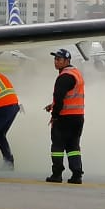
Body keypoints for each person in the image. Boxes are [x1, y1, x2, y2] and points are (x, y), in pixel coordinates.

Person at [43, 48, 85, 184]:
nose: (56, 62)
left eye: (59, 59)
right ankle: (77, 175)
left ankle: (57, 174)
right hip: (78, 117)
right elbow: (69, 96)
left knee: (57, 147)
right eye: (55, 59)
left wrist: (54, 115)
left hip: (64, 118)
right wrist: (53, 105)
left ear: (67, 61)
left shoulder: (64, 76)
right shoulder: (76, 73)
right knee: (73, 147)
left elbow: (59, 96)